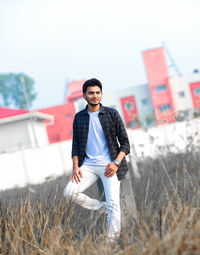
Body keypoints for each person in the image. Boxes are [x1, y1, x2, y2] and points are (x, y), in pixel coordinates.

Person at [63, 78, 130, 241]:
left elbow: (125, 143)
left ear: (101, 94)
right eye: (91, 93)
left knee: (114, 204)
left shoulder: (111, 114)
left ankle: (111, 242)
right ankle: (101, 208)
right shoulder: (79, 118)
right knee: (69, 192)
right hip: (88, 165)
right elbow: (76, 145)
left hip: (110, 166)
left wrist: (116, 163)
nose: (95, 96)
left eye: (97, 92)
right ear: (84, 95)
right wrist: (75, 166)